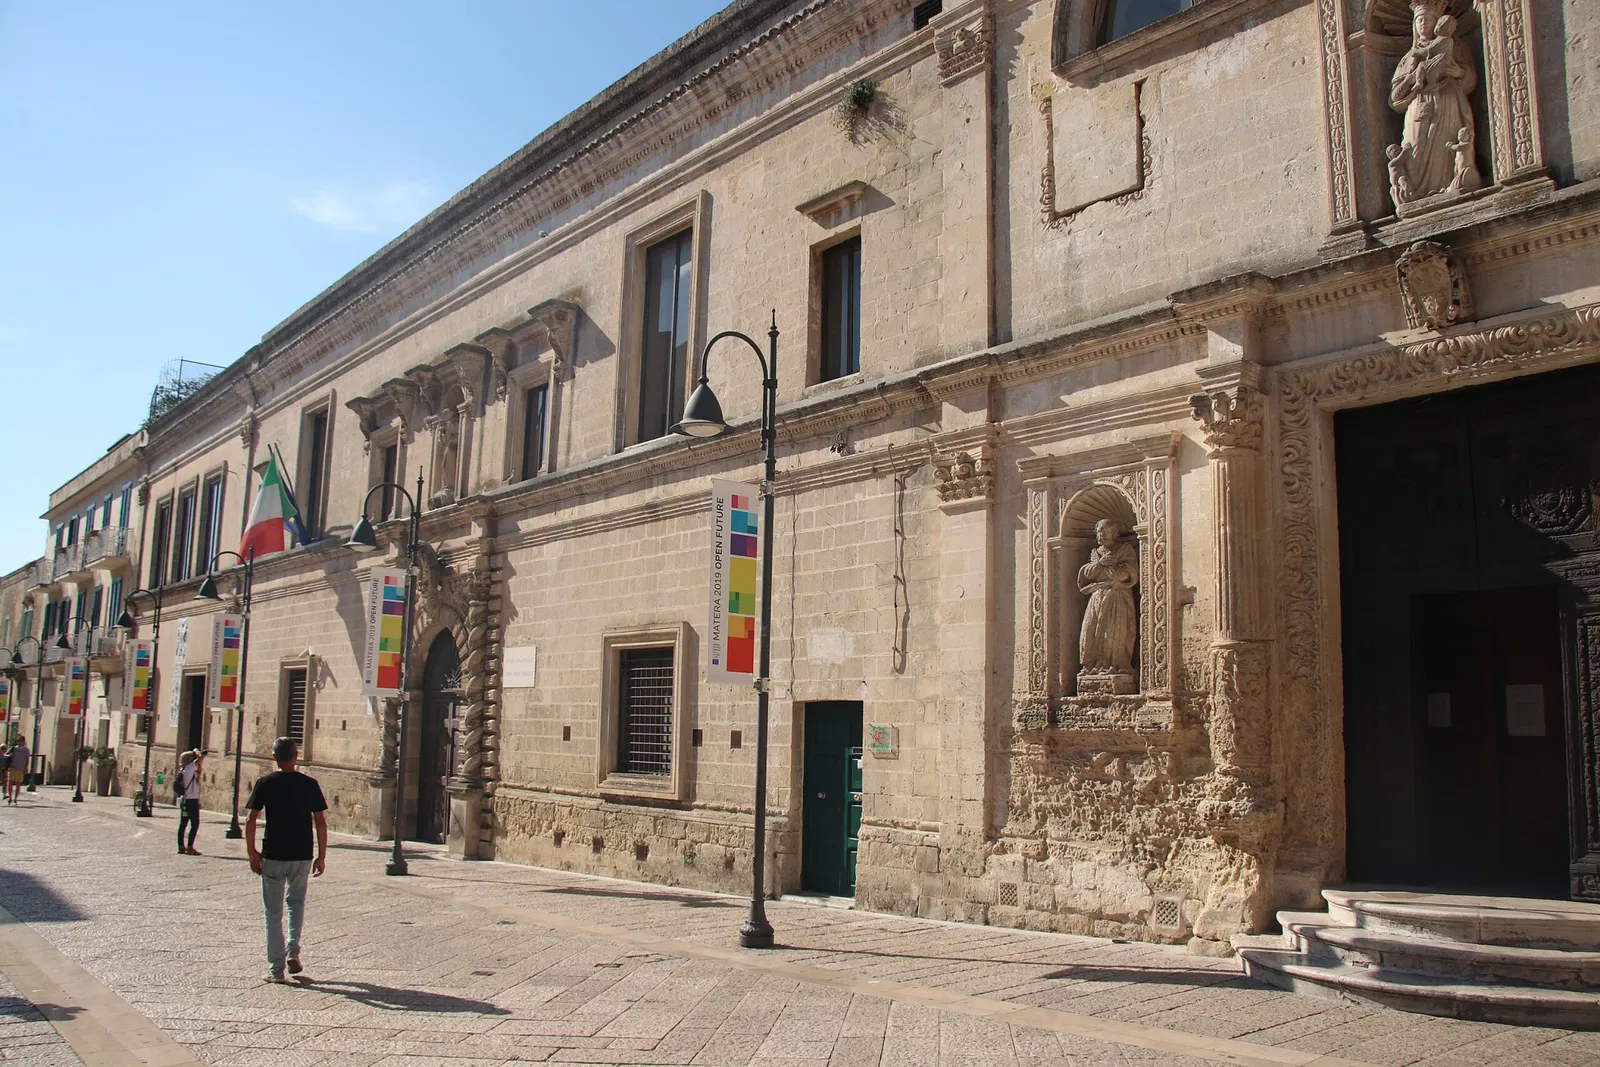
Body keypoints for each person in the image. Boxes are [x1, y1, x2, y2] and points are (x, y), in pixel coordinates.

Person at [245, 737, 327, 984]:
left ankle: (276, 969)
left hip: (274, 854)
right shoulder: (309, 784)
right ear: (296, 755)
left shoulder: (265, 783)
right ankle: (293, 949)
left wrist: (252, 852)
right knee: (296, 903)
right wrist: (321, 856)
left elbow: (250, 820)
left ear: (274, 757)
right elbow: (320, 822)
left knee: (273, 913)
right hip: (302, 854)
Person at [176, 750, 204, 855]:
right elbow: (201, 758)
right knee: (195, 824)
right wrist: (196, 752)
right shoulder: (190, 767)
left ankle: (181, 846)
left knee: (183, 824)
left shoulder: (184, 769)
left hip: (185, 800)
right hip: (192, 800)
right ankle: (190, 847)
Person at [6, 739, 30, 804]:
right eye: (20, 741)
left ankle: (15, 798)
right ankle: (10, 797)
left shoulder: (26, 750)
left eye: (22, 741)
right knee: (10, 783)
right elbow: (6, 755)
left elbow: (27, 759)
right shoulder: (13, 748)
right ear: (18, 742)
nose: (21, 742)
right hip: (12, 768)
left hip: (21, 769)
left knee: (18, 784)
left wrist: (26, 768)